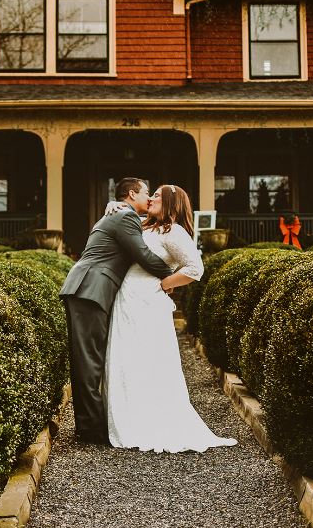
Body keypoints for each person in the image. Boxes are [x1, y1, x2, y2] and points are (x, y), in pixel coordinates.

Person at [104, 184, 237, 453]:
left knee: (149, 359)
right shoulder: (143, 225)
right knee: (124, 356)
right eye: (150, 194)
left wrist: (166, 284)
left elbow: (195, 268)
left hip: (148, 302)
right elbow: (117, 216)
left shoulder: (173, 232)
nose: (151, 197)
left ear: (170, 203)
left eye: (156, 195)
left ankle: (151, 421)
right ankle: (127, 418)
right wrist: (113, 206)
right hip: (126, 299)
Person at [60, 178, 173, 446]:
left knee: (89, 359)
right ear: (132, 194)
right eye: (147, 193)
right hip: (90, 289)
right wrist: (173, 276)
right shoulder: (125, 217)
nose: (149, 198)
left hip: (88, 289)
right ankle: (91, 431)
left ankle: (89, 425)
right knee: (89, 361)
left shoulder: (119, 212)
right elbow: (143, 254)